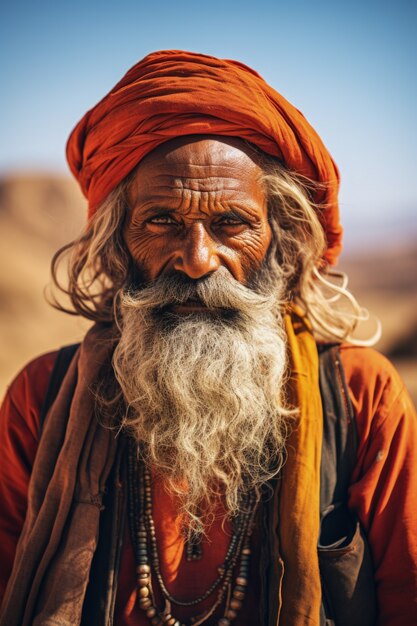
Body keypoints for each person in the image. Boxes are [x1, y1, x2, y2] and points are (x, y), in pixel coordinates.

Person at [0, 50, 416, 626]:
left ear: (283, 240)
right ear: (117, 243)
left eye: (231, 224)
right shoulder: (42, 399)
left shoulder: (362, 398)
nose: (197, 260)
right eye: (162, 222)